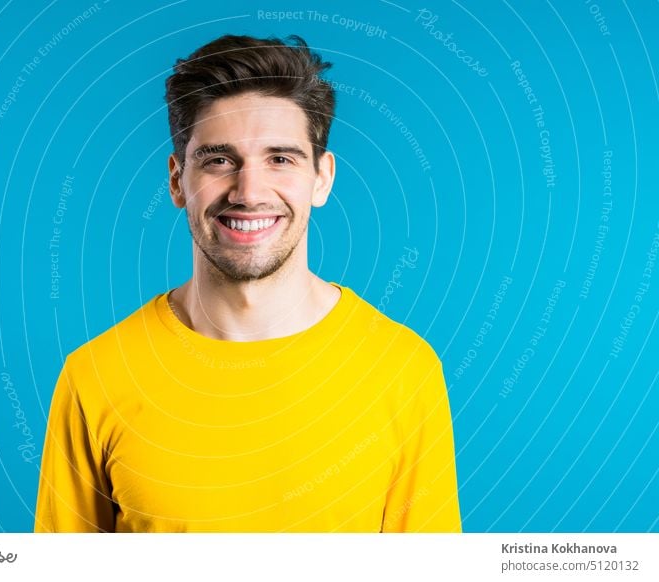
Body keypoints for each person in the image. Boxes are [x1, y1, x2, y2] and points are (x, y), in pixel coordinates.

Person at [34, 34, 461, 533]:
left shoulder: (403, 371)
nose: (250, 191)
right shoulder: (96, 376)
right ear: (177, 181)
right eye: (219, 160)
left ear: (322, 178)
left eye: (281, 159)